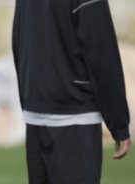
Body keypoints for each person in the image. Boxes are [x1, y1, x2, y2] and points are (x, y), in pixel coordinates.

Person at [12, 0, 131, 184]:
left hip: (35, 117)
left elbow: (18, 41)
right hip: (75, 120)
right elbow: (101, 54)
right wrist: (119, 124)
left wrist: (29, 100)